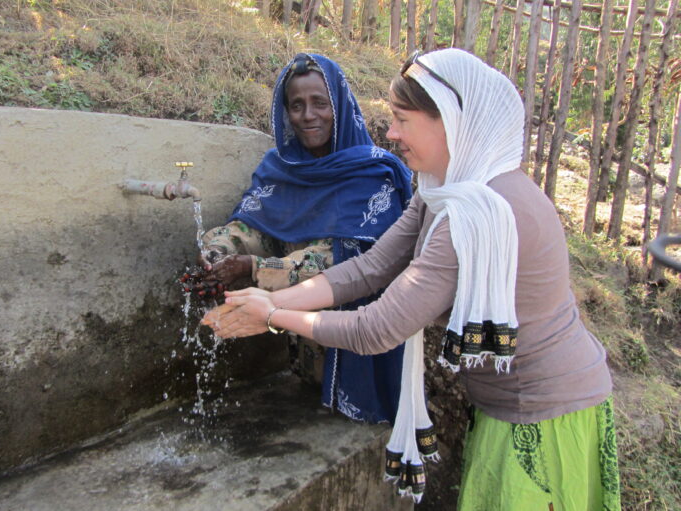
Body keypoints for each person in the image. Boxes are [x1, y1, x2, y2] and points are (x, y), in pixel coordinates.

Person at [202, 48, 620, 510]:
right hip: (512, 405)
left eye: (403, 119)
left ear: (450, 121)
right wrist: (271, 298)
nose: (391, 132)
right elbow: (372, 267)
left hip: (543, 417)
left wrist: (275, 314)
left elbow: (377, 327)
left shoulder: (472, 215)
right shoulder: (442, 189)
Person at [193, 53, 413, 424]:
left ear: (339, 106)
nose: (308, 115)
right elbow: (255, 230)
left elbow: (345, 260)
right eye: (296, 105)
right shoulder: (281, 168)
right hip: (299, 339)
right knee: (309, 402)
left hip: (355, 332)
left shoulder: (374, 175)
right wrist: (220, 251)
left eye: (319, 103)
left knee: (349, 425)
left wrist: (255, 268)